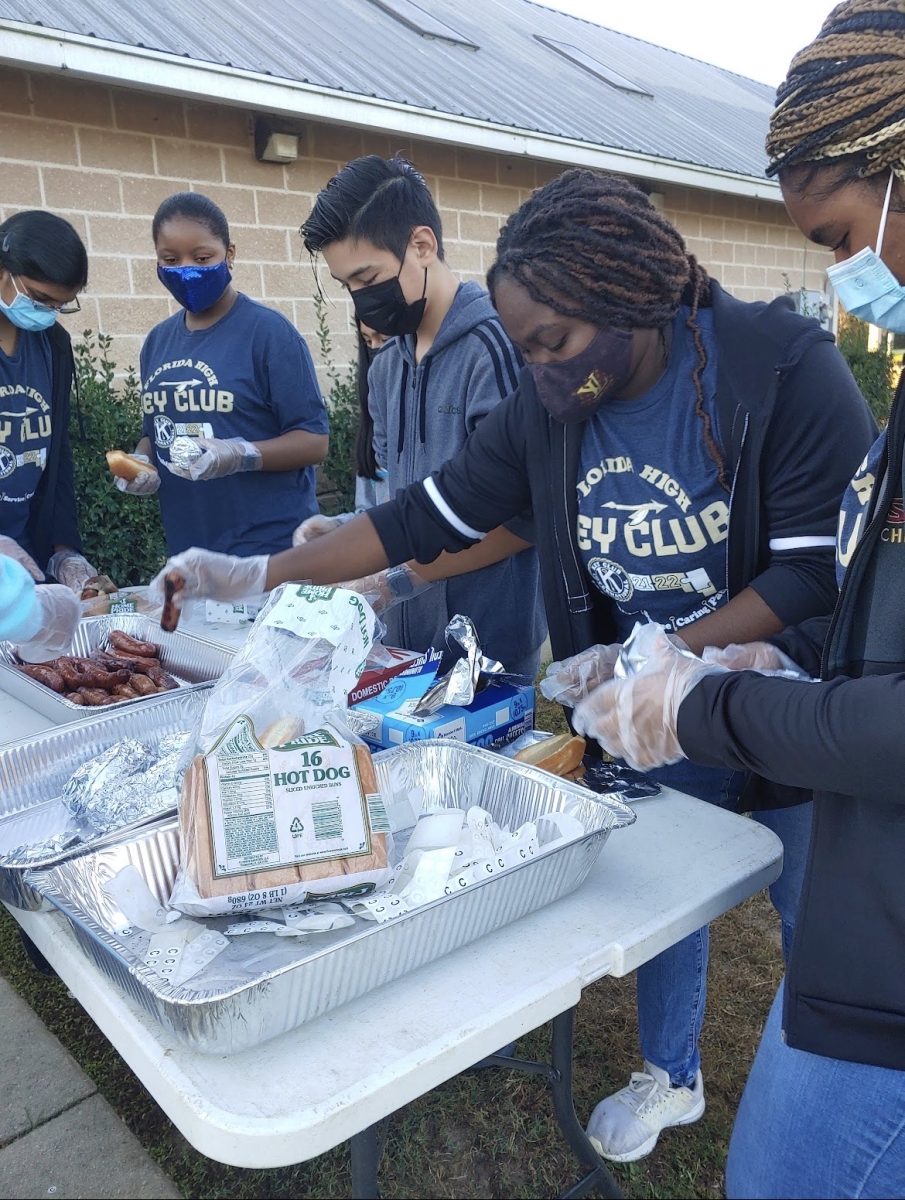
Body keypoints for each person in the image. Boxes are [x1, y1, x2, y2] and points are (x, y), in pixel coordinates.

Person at [150, 165, 875, 1159]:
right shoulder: (551, 401)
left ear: (635, 301)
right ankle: (671, 1072)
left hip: (786, 694)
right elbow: (426, 514)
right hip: (650, 701)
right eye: (525, 348)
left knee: (812, 901)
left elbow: (809, 571)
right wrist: (257, 572)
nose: (539, 372)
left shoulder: (778, 369)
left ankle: (831, 1061)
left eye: (556, 344)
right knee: (675, 883)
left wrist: (667, 655)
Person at [556, 3, 905, 1195]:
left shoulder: (782, 368)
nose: (852, 279)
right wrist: (787, 671)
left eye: (847, 235)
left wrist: (703, 703)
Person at [296, 154, 545, 677]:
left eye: (368, 277)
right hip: (404, 641)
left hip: (487, 643)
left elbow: (524, 520)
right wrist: (347, 531)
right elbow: (403, 496)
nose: (361, 301)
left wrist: (395, 580)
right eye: (346, 285)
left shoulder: (493, 348)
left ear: (422, 246)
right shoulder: (387, 364)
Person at [116, 192, 329, 558]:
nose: (186, 269)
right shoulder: (157, 342)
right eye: (170, 259)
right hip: (190, 551)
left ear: (229, 254)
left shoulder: (268, 333)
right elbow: (156, 430)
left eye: (202, 258)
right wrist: (141, 462)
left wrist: (241, 454)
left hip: (270, 551)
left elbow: (314, 441)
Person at [0, 210, 97, 593]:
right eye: (40, 299)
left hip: (27, 566)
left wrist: (64, 551)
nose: (48, 314)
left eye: (60, 305)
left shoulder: (54, 345)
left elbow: (56, 455)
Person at [294, 318, 388, 545]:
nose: (375, 349)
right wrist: (337, 527)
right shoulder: (374, 420)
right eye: (367, 341)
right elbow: (370, 513)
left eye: (385, 339)